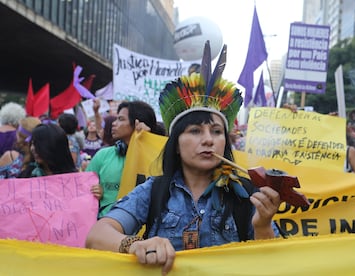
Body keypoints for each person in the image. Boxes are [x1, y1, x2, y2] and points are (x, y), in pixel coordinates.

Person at [86, 42, 282, 275]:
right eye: (195, 131)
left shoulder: (247, 193)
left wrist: (262, 226)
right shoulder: (154, 190)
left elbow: (271, 264)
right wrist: (136, 245)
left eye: (217, 131)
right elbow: (96, 236)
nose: (209, 140)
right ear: (176, 145)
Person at [86, 100, 158, 218]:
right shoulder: (103, 155)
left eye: (121, 119)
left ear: (137, 123)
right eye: (116, 119)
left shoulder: (158, 157)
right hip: (105, 229)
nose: (114, 123)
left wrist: (147, 140)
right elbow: (82, 191)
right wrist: (93, 193)